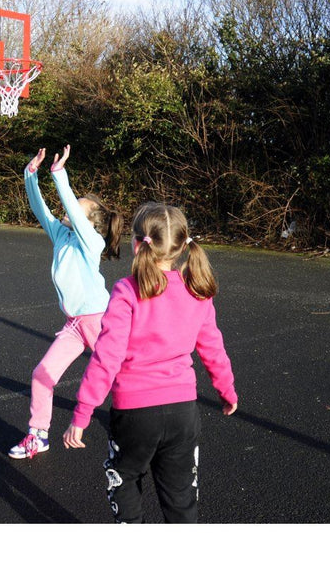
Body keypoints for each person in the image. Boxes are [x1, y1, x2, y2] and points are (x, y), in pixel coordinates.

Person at [63, 202, 238, 523]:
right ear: (184, 246)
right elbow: (213, 347)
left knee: (125, 479)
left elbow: (107, 357)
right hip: (183, 412)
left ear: (135, 243)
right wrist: (227, 391)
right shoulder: (197, 291)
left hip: (135, 414)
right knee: (180, 497)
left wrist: (83, 412)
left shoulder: (126, 291)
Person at [9, 144, 123, 460]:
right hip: (75, 323)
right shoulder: (62, 236)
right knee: (41, 374)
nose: (68, 209)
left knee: (120, 377)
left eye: (76, 207)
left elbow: (71, 209)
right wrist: (30, 174)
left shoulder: (93, 242)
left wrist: (60, 175)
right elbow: (40, 209)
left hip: (99, 319)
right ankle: (37, 435)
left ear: (89, 221)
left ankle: (140, 422)